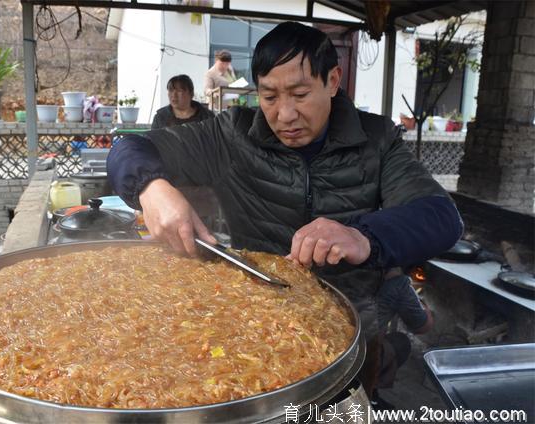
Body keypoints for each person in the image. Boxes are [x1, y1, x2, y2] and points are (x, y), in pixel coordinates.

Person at [107, 21, 462, 395]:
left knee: (346, 414)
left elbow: (442, 217)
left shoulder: (377, 141)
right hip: (250, 332)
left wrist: (363, 236)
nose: (285, 114)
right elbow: (127, 148)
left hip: (353, 336)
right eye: (270, 96)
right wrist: (151, 188)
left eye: (300, 93)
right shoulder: (231, 136)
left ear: (333, 80)